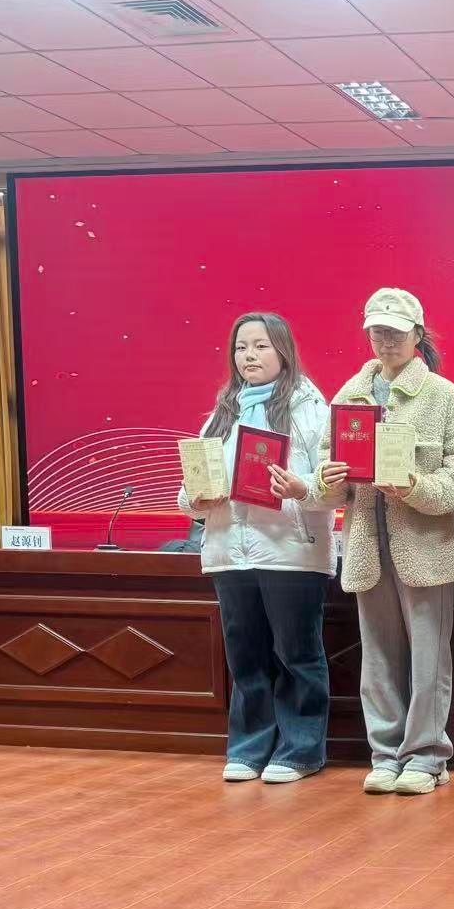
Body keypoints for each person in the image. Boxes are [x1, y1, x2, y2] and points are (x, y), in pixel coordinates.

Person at [313, 287, 454, 796]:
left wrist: (415, 487)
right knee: (377, 657)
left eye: (396, 332)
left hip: (427, 547)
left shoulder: (443, 395)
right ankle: (384, 754)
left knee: (429, 660)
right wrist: (329, 479)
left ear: (418, 335)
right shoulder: (350, 395)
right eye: (378, 332)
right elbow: (326, 476)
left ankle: (427, 756)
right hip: (367, 543)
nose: (386, 341)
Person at [179, 312, 332, 785]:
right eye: (242, 347)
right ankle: (248, 749)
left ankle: (300, 750)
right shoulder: (221, 415)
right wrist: (197, 501)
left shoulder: (311, 410)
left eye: (261, 346)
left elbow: (335, 486)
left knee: (296, 655)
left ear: (283, 351)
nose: (250, 355)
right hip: (230, 550)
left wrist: (301, 488)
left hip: (291, 550)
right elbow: (188, 491)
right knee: (245, 657)